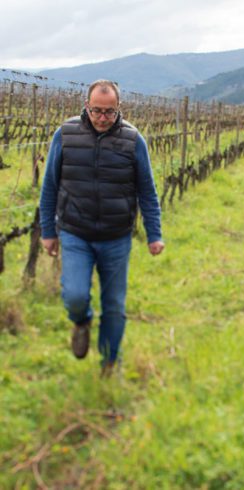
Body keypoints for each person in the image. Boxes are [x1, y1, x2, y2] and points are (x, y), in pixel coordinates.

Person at [40, 79, 164, 376]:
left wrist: (154, 233)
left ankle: (110, 363)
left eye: (109, 112)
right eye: (97, 111)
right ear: (87, 107)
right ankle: (81, 321)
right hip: (75, 233)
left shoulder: (133, 140)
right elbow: (50, 186)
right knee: (75, 295)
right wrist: (48, 231)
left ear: (118, 109)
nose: (103, 118)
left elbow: (147, 190)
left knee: (114, 306)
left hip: (115, 236)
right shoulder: (65, 135)